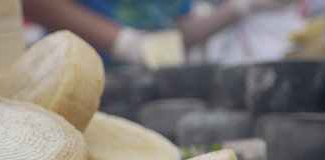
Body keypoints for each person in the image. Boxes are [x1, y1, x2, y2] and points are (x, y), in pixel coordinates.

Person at [21, 0, 300, 66]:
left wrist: (240, 7)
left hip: (150, 91)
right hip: (74, 71)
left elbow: (177, 31)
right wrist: (122, 42)